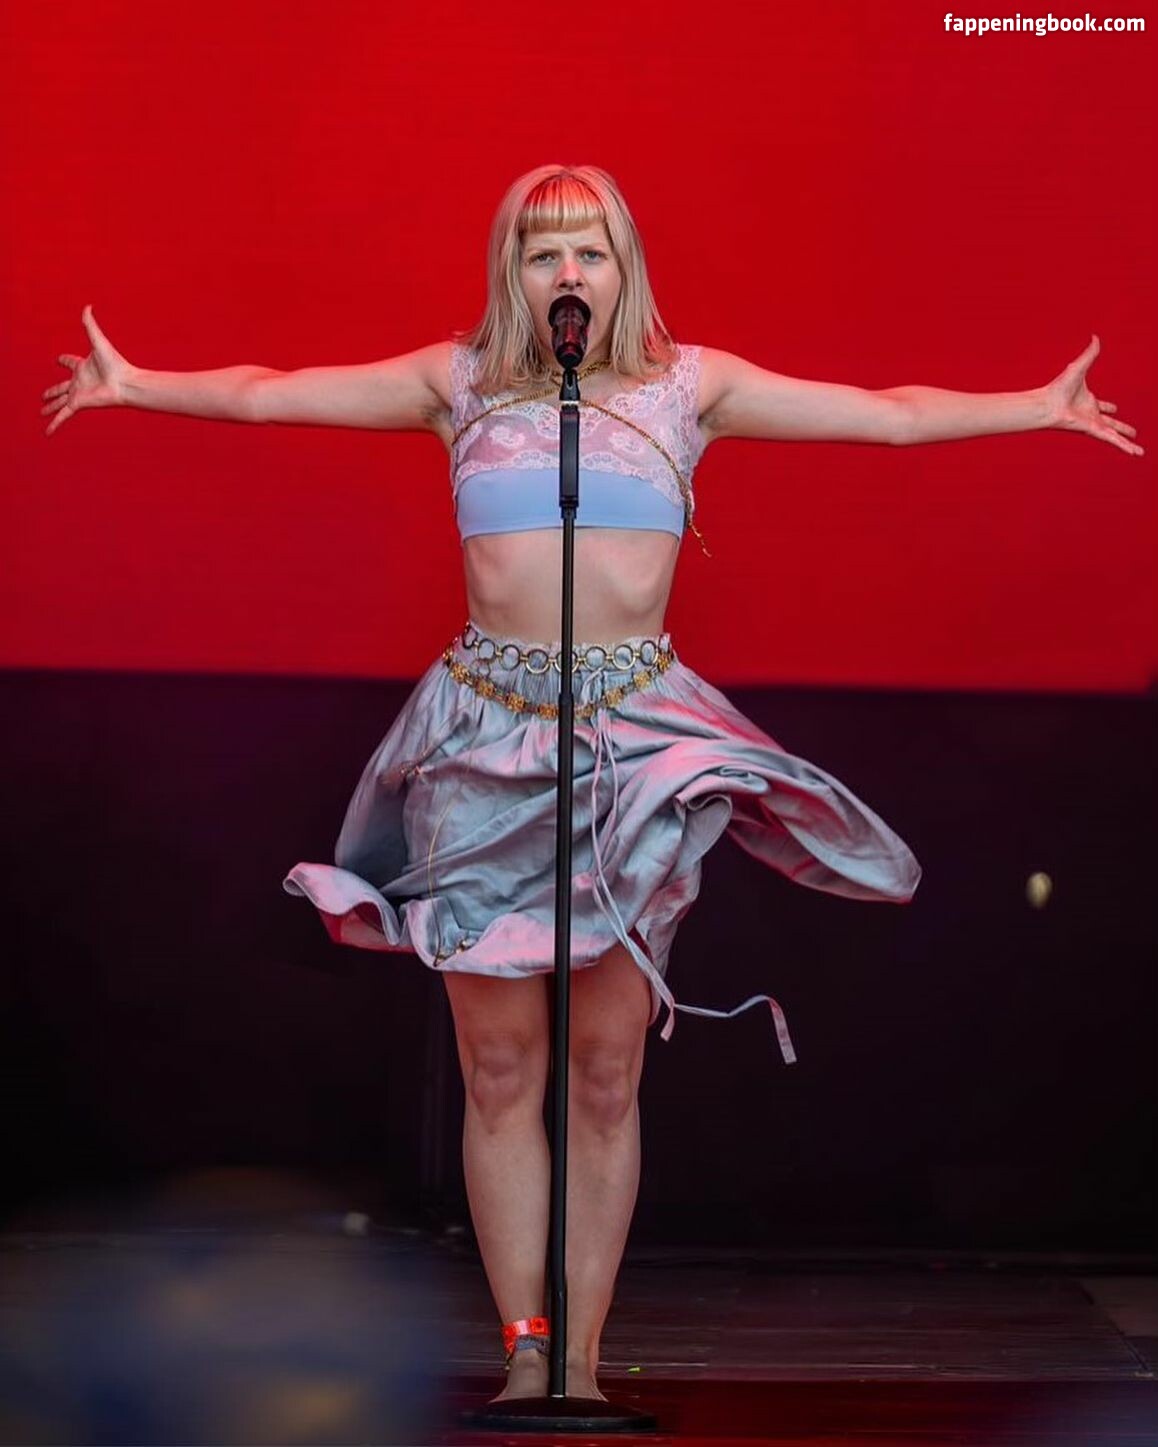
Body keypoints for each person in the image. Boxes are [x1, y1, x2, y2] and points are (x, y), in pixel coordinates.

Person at [42, 164, 1141, 1404]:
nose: (568, 272)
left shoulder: (690, 387)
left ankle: (580, 1364)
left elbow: (885, 414)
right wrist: (136, 383)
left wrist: (1036, 406)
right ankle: (525, 1353)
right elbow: (267, 392)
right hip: (485, 744)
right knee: (501, 1067)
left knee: (606, 1070)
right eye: (542, 252)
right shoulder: (456, 382)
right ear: (512, 273)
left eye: (591, 251)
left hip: (634, 749)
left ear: (625, 269)